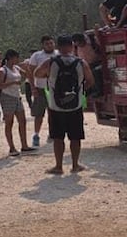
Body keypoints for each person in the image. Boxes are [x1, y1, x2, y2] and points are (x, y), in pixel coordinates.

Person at [35, 35, 94, 175]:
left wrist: (50, 78)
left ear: (58, 47)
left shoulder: (50, 62)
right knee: (75, 137)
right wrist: (80, 89)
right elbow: (91, 81)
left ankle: (58, 166)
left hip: (56, 106)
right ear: (72, 46)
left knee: (58, 137)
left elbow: (37, 74)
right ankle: (75, 165)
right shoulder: (81, 63)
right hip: (76, 105)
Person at [0, 49, 34, 156]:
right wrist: (12, 82)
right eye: (16, 58)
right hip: (7, 97)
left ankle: (24, 145)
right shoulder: (3, 70)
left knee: (22, 121)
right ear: (11, 58)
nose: (17, 60)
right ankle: (12, 147)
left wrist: (27, 69)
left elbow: (25, 75)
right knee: (9, 123)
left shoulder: (16, 68)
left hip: (17, 96)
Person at [22, 35, 57, 148]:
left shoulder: (58, 54)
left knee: (53, 113)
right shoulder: (37, 56)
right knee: (39, 114)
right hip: (40, 88)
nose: (50, 45)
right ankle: (36, 135)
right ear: (43, 45)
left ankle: (52, 134)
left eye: (51, 43)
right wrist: (33, 88)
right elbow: (30, 73)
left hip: (55, 89)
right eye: (47, 44)